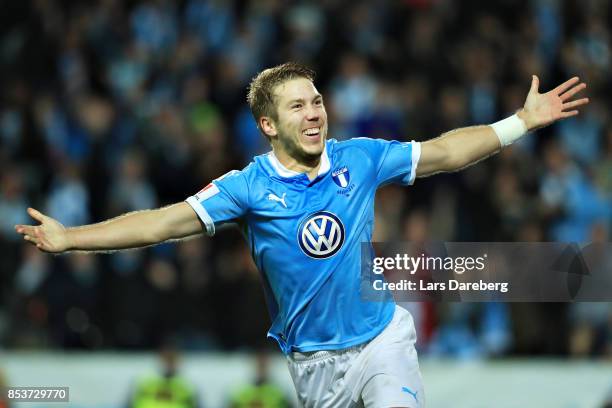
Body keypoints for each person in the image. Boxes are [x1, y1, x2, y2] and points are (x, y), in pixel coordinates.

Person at [15, 63, 588, 407]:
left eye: (316, 101)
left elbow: (442, 152)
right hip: (314, 365)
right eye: (297, 106)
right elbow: (160, 223)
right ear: (268, 125)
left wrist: (519, 123)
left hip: (380, 337)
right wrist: (71, 239)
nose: (314, 113)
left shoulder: (359, 158)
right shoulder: (246, 188)